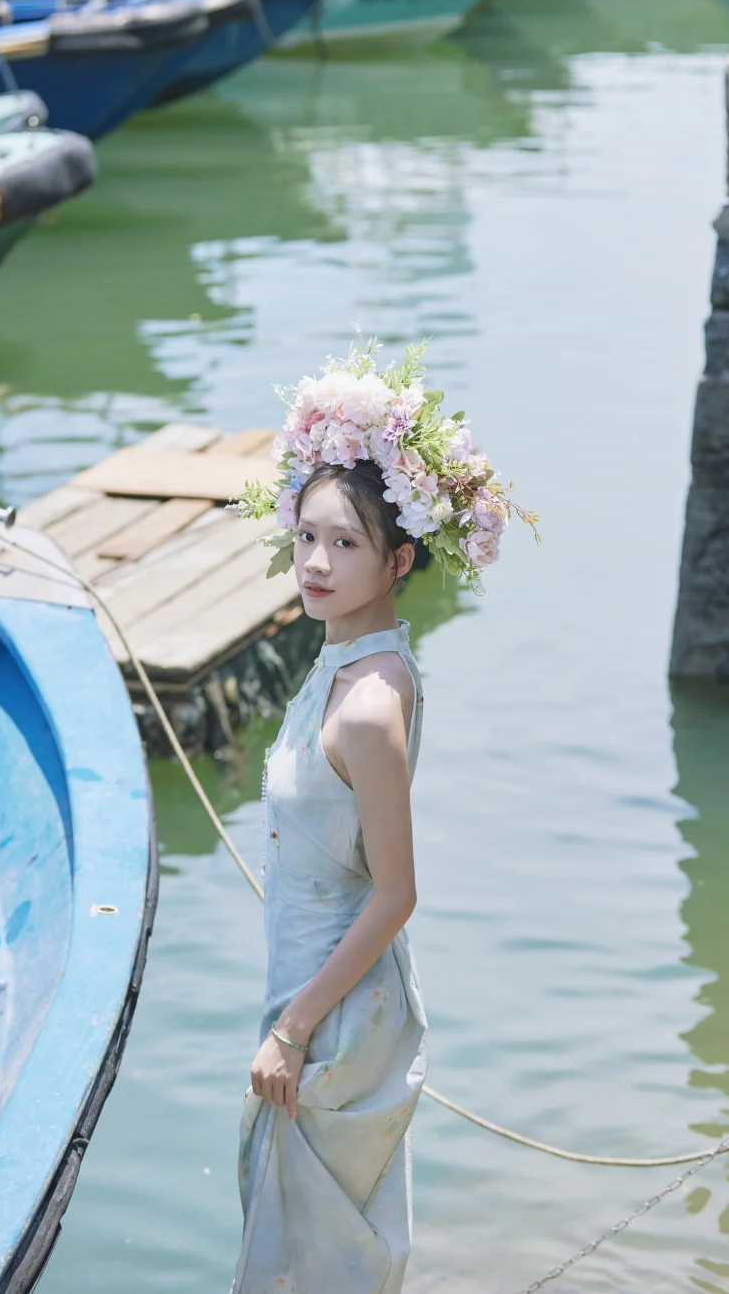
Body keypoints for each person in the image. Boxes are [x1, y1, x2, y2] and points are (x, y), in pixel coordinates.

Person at [233, 343, 529, 1294]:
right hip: (314, 985)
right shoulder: (350, 664)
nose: (315, 562)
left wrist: (293, 1029)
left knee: (312, 1263)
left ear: (400, 557)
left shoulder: (368, 703)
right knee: (302, 1249)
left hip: (333, 1011)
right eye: (307, 534)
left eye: (347, 543)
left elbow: (397, 893)